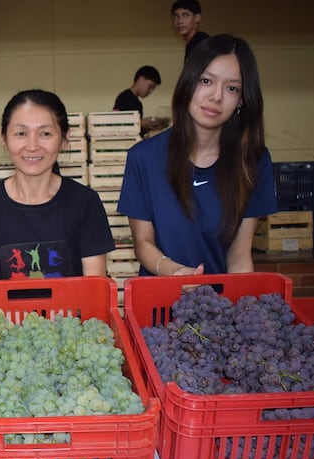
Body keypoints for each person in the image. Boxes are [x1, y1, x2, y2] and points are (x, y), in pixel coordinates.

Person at [117, 34, 277, 277]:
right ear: (189, 82)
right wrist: (176, 272)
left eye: (232, 88)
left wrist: (241, 304)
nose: (216, 96)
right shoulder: (144, 158)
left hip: (219, 305)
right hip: (158, 301)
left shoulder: (253, 161)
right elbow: (143, 244)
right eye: (206, 81)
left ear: (242, 100)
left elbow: (239, 253)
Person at [0, 89, 114, 280]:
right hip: (4, 311)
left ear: (64, 139)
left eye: (45, 133)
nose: (32, 145)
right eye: (21, 133)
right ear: (3, 138)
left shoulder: (85, 203)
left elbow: (94, 289)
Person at [113, 65, 168, 136]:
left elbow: (136, 130)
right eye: (150, 86)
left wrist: (151, 127)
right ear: (140, 80)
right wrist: (141, 123)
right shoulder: (124, 97)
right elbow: (115, 123)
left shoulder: (138, 104)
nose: (150, 91)